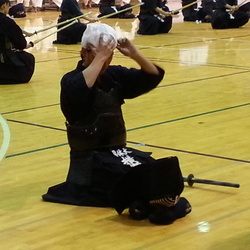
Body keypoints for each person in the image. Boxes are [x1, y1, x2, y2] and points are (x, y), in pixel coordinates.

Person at [42, 23, 191, 225]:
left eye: (109, 55)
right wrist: (101, 57)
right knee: (137, 180)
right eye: (99, 54)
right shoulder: (70, 80)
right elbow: (80, 90)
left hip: (118, 155)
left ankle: (158, 205)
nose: (105, 60)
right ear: (83, 53)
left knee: (162, 169)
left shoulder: (114, 75)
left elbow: (153, 76)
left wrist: (135, 54)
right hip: (91, 163)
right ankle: (166, 207)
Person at [0, 0, 35, 84]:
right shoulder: (7, 22)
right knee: (29, 58)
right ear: (4, 6)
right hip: (3, 59)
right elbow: (21, 44)